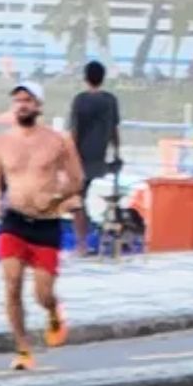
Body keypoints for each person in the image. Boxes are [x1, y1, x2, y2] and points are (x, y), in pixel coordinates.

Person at [0, 82, 83, 371]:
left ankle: (53, 310)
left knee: (42, 293)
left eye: (28, 100)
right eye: (17, 100)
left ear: (39, 106)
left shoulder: (58, 141)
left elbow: (77, 180)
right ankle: (23, 349)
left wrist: (56, 196)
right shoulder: (0, 143)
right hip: (13, 220)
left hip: (46, 223)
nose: (22, 105)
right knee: (12, 283)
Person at [68, 61, 121, 256]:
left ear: (85, 77)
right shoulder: (110, 100)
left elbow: (74, 132)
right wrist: (117, 153)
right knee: (84, 199)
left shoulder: (80, 100)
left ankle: (82, 244)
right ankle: (97, 237)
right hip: (102, 160)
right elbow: (115, 130)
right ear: (103, 77)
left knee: (76, 201)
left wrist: (69, 159)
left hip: (82, 160)